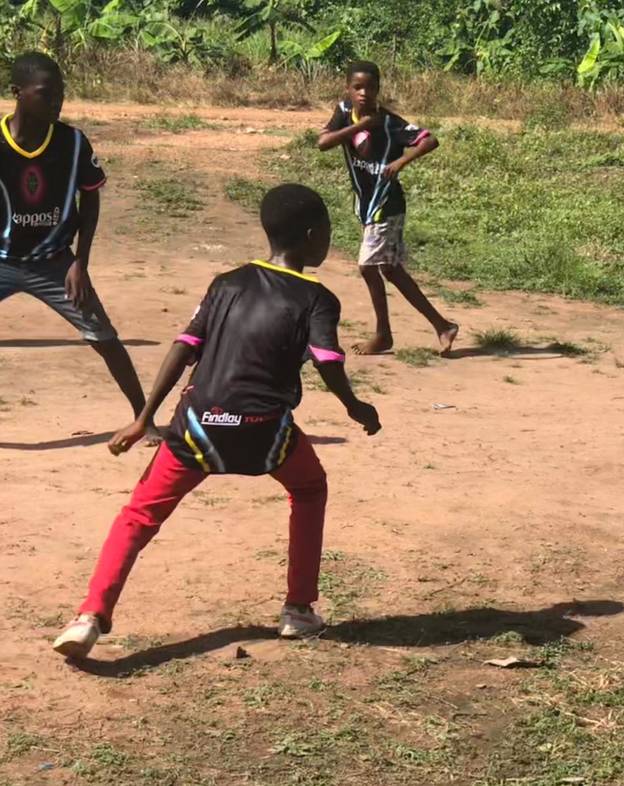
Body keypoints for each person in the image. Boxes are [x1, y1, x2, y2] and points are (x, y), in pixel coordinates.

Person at [52, 184, 381, 658]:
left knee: (140, 515)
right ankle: (298, 610)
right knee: (309, 489)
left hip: (198, 427)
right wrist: (355, 407)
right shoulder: (317, 297)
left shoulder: (226, 283)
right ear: (312, 236)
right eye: (327, 231)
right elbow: (328, 357)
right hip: (267, 431)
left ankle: (89, 617)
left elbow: (184, 348)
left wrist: (144, 417)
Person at [0, 52, 157, 438]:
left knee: (103, 336)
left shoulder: (72, 142)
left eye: (61, 94)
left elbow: (91, 198)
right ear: (17, 93)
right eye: (46, 94)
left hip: (55, 262)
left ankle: (144, 417)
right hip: (3, 259)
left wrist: (80, 264)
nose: (58, 102)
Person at [318, 60, 458, 356]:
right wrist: (360, 126)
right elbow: (323, 143)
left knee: (368, 267)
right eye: (357, 87)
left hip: (386, 204)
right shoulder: (344, 111)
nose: (363, 93)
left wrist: (400, 162)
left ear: (379, 89)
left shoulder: (389, 122)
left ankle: (383, 334)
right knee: (390, 270)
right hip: (367, 204)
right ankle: (442, 325)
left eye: (370, 87)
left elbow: (430, 140)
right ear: (347, 88)